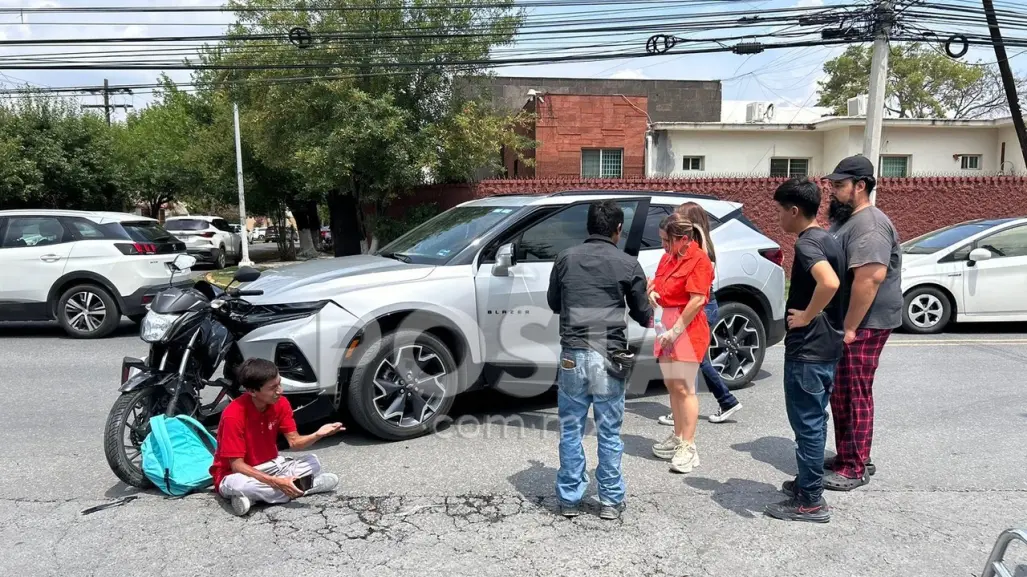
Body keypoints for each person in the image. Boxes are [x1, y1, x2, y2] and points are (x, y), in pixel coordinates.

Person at [546, 199, 652, 520]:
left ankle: (569, 499)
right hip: (610, 356)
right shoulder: (628, 264)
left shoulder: (565, 258)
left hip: (572, 356)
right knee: (609, 431)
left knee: (570, 428)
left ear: (589, 227)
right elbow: (643, 315)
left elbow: (553, 303)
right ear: (618, 230)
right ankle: (609, 500)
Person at [764, 177, 846, 523]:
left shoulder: (809, 244)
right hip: (826, 346)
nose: (777, 217)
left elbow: (830, 282)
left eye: (780, 210)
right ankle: (806, 484)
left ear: (795, 210)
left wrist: (807, 316)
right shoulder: (830, 238)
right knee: (814, 420)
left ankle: (811, 500)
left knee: (808, 424)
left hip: (809, 350)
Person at [822, 155, 903, 491]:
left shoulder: (869, 224)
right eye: (833, 185)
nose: (833, 192)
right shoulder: (850, 220)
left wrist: (851, 327)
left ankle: (854, 467)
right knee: (842, 392)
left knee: (854, 392)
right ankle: (850, 455)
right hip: (852, 320)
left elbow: (870, 278)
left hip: (865, 322)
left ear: (861, 186)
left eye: (840, 186)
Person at [211, 358, 345, 516]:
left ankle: (254, 499)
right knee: (246, 485)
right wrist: (276, 482)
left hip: (272, 466)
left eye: (279, 383)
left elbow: (295, 442)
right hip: (235, 475)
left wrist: (318, 434)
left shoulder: (280, 403)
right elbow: (237, 466)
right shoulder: (233, 415)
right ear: (252, 391)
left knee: (313, 462)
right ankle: (309, 486)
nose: (280, 390)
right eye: (273, 388)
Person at [655, 202, 742, 426]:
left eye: (680, 216)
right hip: (699, 306)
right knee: (693, 360)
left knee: (694, 360)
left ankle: (723, 401)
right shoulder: (698, 243)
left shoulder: (698, 247)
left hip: (702, 307)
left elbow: (696, 292)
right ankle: (719, 401)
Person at [648, 211, 715, 474]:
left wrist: (675, 331)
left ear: (683, 238)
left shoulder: (699, 260)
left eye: (667, 240)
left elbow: (697, 299)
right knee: (673, 385)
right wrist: (651, 291)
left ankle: (689, 445)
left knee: (685, 388)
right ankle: (678, 437)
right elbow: (657, 282)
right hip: (666, 326)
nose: (663, 245)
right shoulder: (668, 258)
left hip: (686, 329)